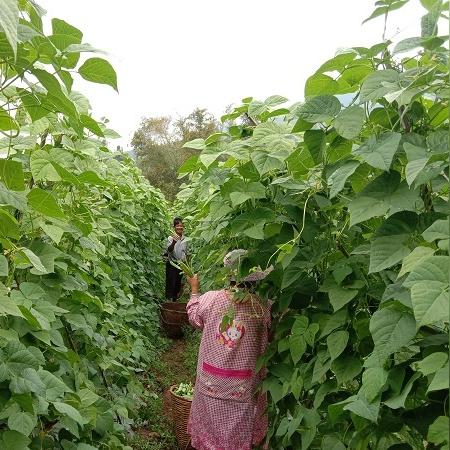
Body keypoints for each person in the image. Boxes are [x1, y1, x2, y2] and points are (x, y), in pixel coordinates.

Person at [185, 250, 272, 450]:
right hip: (243, 385)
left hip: (211, 381)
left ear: (229, 275)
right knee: (239, 431)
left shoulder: (212, 299)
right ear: (256, 278)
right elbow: (274, 334)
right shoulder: (263, 307)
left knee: (209, 427)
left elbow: (194, 317)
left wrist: (195, 289)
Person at [164, 217, 187, 300]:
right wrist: (174, 242)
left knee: (178, 284)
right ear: (174, 227)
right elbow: (169, 250)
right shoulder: (170, 238)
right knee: (171, 283)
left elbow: (187, 253)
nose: (179, 227)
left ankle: (175, 300)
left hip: (182, 265)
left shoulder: (186, 239)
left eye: (181, 225)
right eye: (177, 225)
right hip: (172, 264)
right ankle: (169, 301)